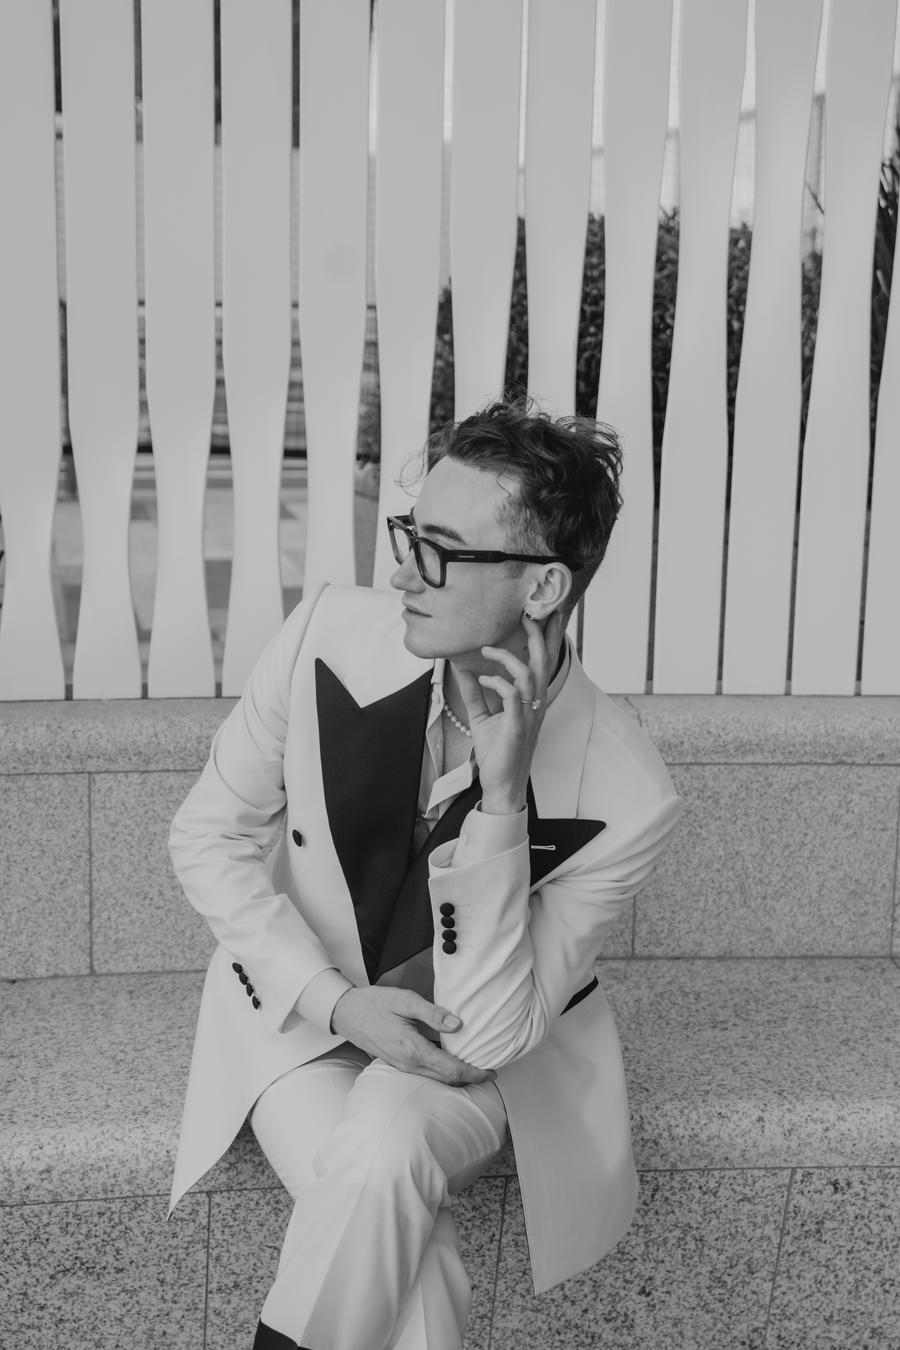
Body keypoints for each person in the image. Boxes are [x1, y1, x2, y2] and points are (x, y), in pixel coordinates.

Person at [168, 399, 683, 1350]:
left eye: (441, 550)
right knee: (397, 1213)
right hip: (300, 1020)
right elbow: (207, 834)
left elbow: (489, 1035)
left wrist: (502, 806)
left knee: (386, 1147)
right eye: (412, 534)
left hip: (475, 1062)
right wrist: (337, 1004)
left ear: (542, 587)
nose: (404, 572)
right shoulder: (326, 634)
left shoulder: (629, 790)